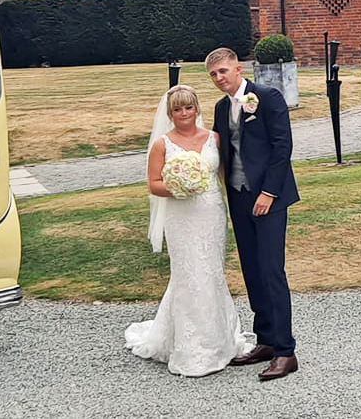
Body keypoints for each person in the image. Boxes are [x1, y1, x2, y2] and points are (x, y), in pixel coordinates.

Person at [124, 84, 250, 377]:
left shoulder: (214, 139)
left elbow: (223, 176)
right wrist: (178, 187)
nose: (184, 113)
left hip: (211, 213)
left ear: (197, 108)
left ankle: (219, 342)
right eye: (177, 109)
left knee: (211, 273)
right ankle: (190, 347)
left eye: (188, 107)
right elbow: (153, 183)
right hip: (181, 216)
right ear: (170, 113)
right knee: (188, 274)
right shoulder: (162, 145)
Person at [206, 47, 299, 381]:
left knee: (272, 270)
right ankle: (266, 340)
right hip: (239, 197)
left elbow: (282, 147)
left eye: (223, 71)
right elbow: (220, 149)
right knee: (252, 270)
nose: (220, 78)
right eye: (214, 75)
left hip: (269, 198)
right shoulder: (220, 108)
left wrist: (269, 193)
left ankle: (287, 351)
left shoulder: (267, 97)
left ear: (238, 68)